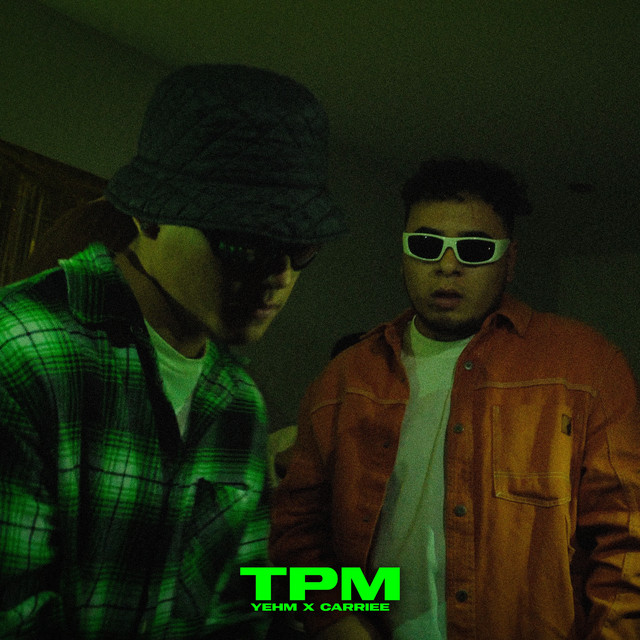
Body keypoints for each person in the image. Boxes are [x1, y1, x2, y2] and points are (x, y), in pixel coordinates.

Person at [0, 63, 345, 639]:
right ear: (150, 214)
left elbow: (239, 601)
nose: (281, 274)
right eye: (245, 242)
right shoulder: (23, 352)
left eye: (301, 249)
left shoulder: (239, 403)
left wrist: (372, 592)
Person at [269, 157, 640, 639]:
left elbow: (627, 541)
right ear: (404, 253)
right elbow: (295, 533)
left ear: (509, 261)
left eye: (475, 248)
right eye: (426, 245)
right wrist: (335, 619)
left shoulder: (587, 367)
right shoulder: (343, 380)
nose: (448, 265)